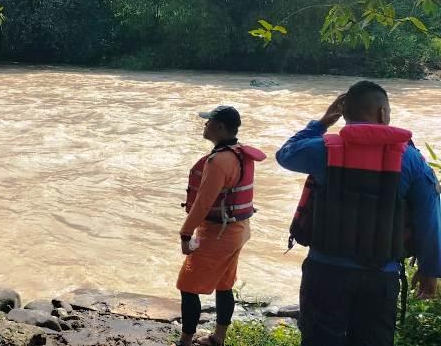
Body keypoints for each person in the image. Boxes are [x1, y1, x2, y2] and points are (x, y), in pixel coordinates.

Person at [277, 80, 441, 346]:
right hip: (380, 274)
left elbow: (285, 154)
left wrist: (320, 123)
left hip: (325, 271)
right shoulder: (410, 159)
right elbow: (429, 215)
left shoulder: (323, 150)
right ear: (382, 113)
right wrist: (430, 269)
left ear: (343, 113)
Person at [176, 106, 266, 346]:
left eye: (209, 122)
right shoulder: (239, 153)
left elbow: (203, 204)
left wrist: (185, 234)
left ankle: (185, 341)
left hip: (218, 234)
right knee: (224, 284)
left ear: (220, 127)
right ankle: (219, 338)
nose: (205, 125)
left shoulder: (218, 161)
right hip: (238, 229)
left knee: (187, 285)